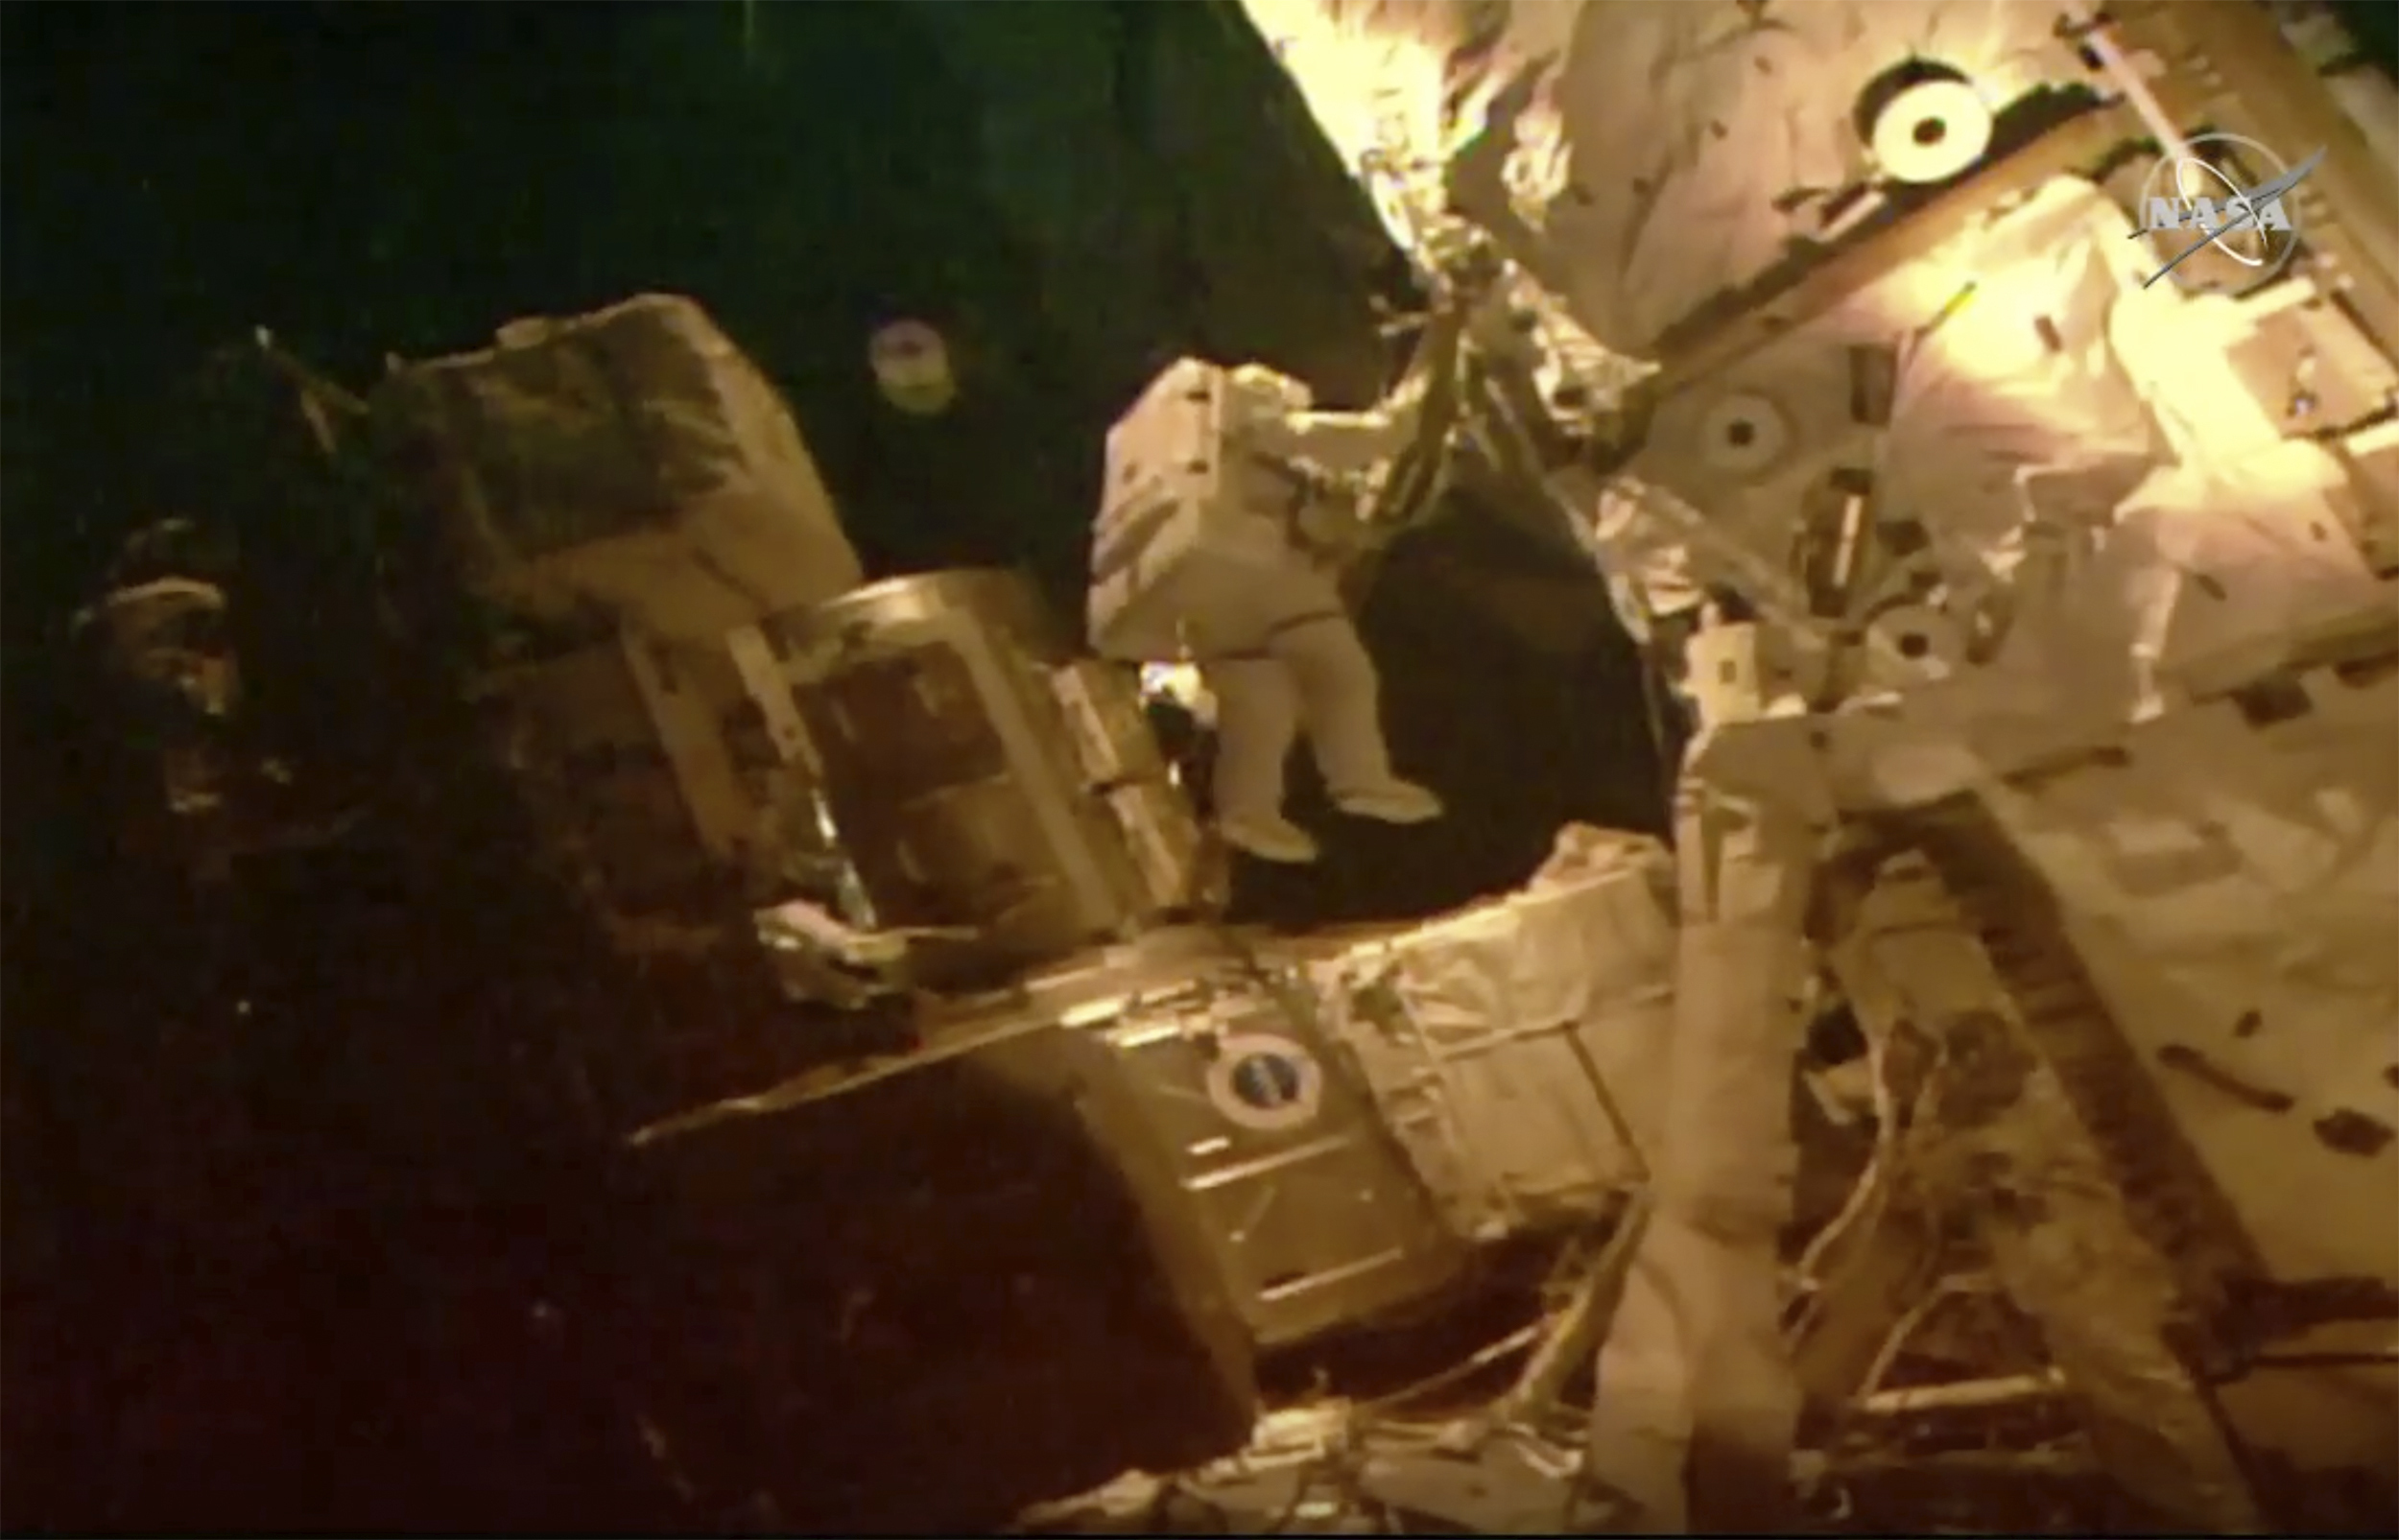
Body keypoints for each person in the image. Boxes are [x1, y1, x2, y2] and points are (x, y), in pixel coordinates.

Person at [1091, 361, 1444, 865]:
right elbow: (1380, 438)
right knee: (1340, 672)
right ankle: (1359, 779)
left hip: (1200, 595)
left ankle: (1246, 811)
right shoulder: (1263, 424)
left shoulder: (1211, 454)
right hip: (1260, 581)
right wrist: (1421, 395)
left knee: (1260, 705)